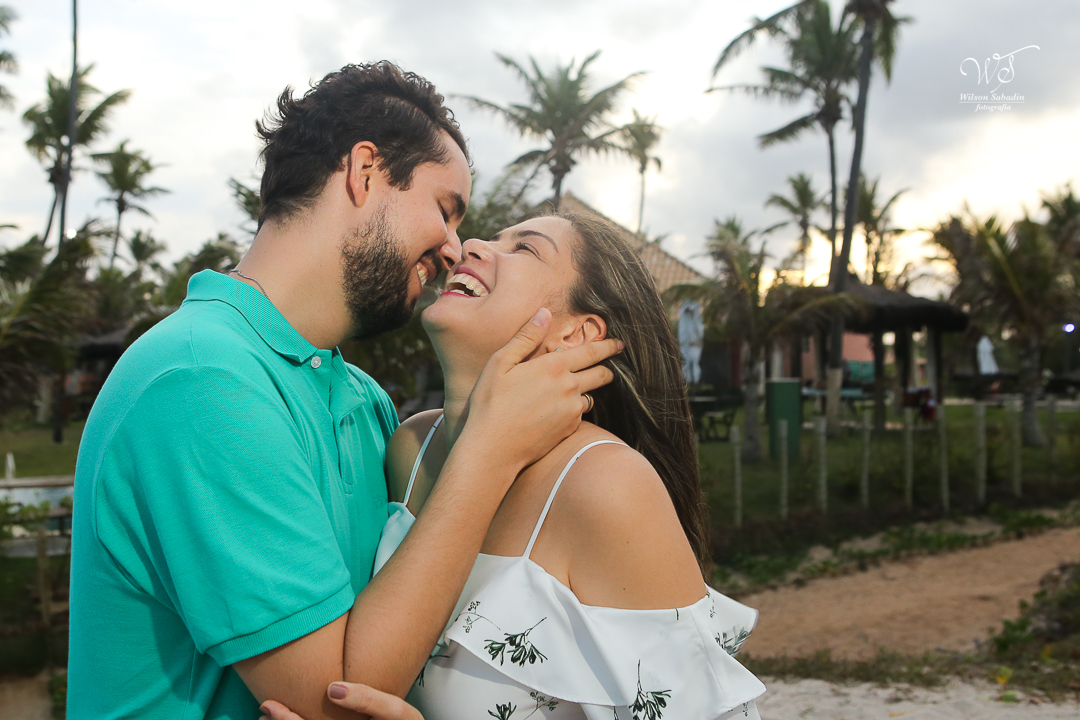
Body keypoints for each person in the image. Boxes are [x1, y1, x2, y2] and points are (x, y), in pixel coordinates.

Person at [67, 62, 621, 719]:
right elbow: (336, 703)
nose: (454, 250)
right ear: (364, 171)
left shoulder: (365, 402)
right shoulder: (201, 381)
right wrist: (491, 450)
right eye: (445, 210)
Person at [268, 212, 767, 720]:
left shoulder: (605, 485)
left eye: (525, 249)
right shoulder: (412, 447)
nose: (475, 244)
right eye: (493, 237)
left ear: (577, 334)